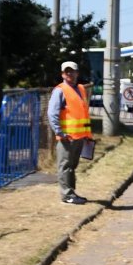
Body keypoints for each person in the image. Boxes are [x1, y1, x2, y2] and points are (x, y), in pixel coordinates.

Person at [47, 60, 91, 205]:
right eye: (66, 71)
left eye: (72, 71)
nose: (69, 74)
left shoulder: (81, 89)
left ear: (77, 73)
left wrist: (87, 134)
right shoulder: (60, 90)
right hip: (66, 138)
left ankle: (72, 193)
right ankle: (67, 195)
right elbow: (52, 114)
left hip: (79, 136)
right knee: (65, 166)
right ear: (62, 74)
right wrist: (59, 132)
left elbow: (83, 113)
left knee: (72, 166)